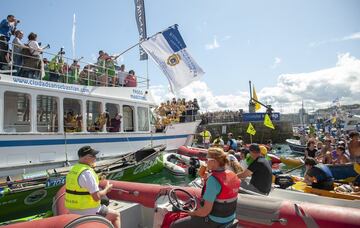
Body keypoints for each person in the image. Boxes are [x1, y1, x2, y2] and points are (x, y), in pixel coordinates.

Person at [171, 147, 240, 228]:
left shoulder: (213, 180)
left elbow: (204, 212)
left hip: (214, 221)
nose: (205, 162)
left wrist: (190, 213)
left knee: (175, 225)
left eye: (207, 160)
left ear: (214, 161)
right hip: (230, 218)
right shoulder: (232, 175)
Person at [65, 146, 120, 228]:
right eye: (93, 156)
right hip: (87, 210)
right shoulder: (87, 173)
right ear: (87, 157)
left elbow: (81, 184)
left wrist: (98, 178)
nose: (95, 158)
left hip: (72, 209)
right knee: (116, 215)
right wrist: (106, 189)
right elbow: (96, 197)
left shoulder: (74, 169)